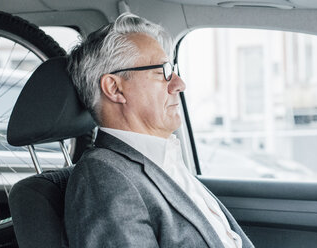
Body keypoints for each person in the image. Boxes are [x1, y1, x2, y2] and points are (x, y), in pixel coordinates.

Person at [64, 12, 254, 248]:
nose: (179, 84)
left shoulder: (165, 161)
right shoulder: (103, 179)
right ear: (115, 88)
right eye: (163, 71)